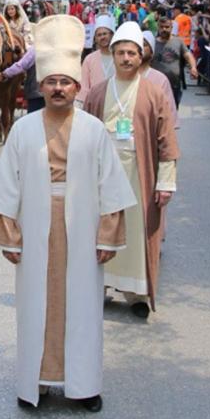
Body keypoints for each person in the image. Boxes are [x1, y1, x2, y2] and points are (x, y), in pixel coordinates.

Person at [0, 14, 133, 412]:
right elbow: (6, 185)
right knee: (36, 306)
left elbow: (112, 187)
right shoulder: (23, 129)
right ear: (42, 86)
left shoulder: (94, 130)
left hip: (82, 227)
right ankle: (37, 382)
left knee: (83, 307)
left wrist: (107, 235)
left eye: (65, 82)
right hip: (36, 224)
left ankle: (84, 386)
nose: (58, 88)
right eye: (51, 81)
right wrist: (10, 237)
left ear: (76, 86)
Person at [82, 22, 179, 317]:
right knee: (98, 230)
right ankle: (98, 287)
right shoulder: (97, 93)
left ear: (140, 57)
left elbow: (166, 140)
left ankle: (136, 294)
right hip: (103, 175)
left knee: (136, 234)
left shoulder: (153, 92)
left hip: (140, 173)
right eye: (120, 52)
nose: (126, 58)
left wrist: (165, 183)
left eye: (131, 53)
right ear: (112, 55)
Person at [153, 15, 200, 109]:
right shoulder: (153, 43)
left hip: (174, 85)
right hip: (156, 85)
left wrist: (193, 67)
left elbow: (188, 55)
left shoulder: (178, 42)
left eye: (167, 27)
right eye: (161, 27)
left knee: (173, 110)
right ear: (158, 27)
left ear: (171, 27)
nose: (164, 29)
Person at [76, 15, 116, 104]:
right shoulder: (89, 59)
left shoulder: (120, 56)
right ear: (95, 39)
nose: (102, 37)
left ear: (112, 35)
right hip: (95, 105)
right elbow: (84, 87)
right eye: (99, 35)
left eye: (105, 34)